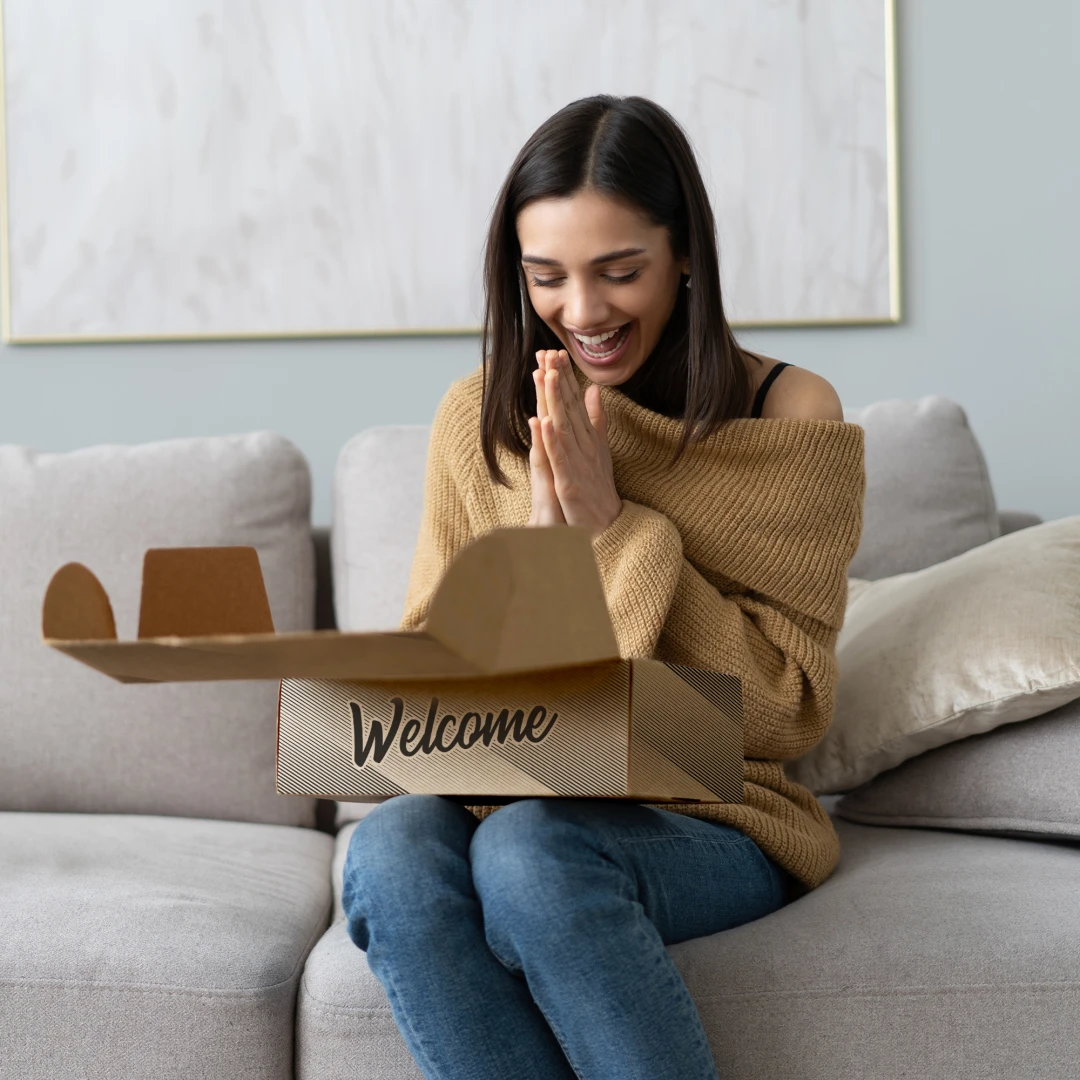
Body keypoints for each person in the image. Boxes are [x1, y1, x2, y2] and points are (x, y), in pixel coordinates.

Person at [340, 94, 865, 1080]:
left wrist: (617, 532)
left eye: (619, 272)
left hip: (717, 806)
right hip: (506, 788)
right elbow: (433, 671)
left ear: (686, 257)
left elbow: (789, 709)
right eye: (547, 278)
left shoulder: (787, 413)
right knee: (392, 854)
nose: (582, 312)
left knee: (534, 856)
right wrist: (544, 555)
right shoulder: (478, 415)